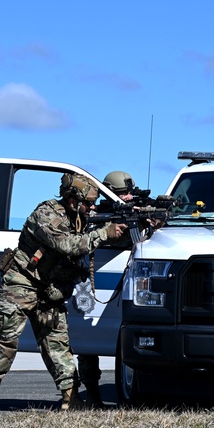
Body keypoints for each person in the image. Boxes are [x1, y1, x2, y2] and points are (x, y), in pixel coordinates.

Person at [0, 174, 127, 413]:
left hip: (49, 289)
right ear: (73, 201)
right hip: (21, 282)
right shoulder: (46, 214)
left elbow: (109, 233)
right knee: (5, 339)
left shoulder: (80, 217)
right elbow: (69, 245)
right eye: (89, 203)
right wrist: (105, 233)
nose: (93, 208)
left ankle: (70, 398)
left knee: (57, 344)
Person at [76, 170, 137, 408]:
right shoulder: (96, 216)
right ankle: (91, 394)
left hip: (127, 291)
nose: (129, 197)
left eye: (131, 192)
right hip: (93, 288)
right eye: (123, 193)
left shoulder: (136, 212)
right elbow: (93, 239)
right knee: (87, 343)